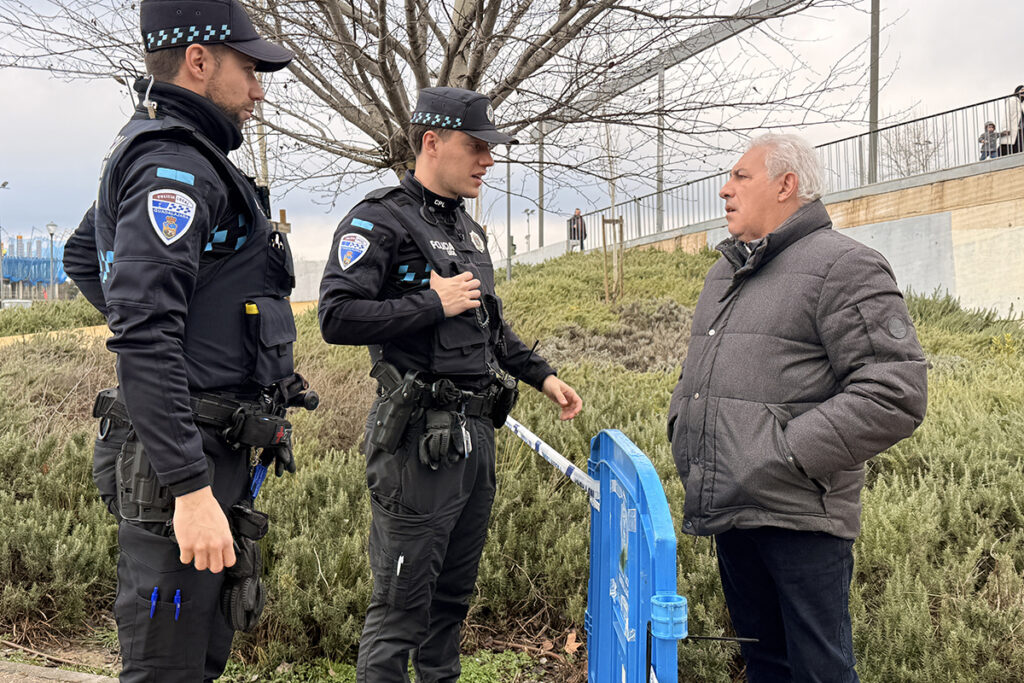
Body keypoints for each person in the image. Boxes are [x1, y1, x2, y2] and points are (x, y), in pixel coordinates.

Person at [62, 2, 314, 680]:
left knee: (196, 659)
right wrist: (190, 488)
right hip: (181, 459)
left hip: (203, 446)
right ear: (199, 60)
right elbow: (144, 329)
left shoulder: (169, 149)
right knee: (167, 668)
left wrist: (210, 353)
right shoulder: (172, 165)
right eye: (250, 69)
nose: (260, 89)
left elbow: (85, 257)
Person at [319, 86, 583, 682]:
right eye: (477, 146)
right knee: (399, 611)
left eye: (491, 148)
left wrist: (542, 376)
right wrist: (428, 303)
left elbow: (487, 322)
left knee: (450, 606)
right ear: (432, 143)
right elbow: (335, 317)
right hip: (417, 443)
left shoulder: (466, 226)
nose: (488, 160)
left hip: (473, 440)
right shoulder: (379, 219)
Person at [667, 134, 927, 682]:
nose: (724, 189)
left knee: (818, 672)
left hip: (799, 518)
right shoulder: (726, 270)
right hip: (733, 506)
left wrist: (781, 455)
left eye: (741, 177)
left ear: (787, 185)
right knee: (764, 665)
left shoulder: (845, 265)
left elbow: (895, 390)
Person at [998, 85, 1024, 156]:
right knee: (1008, 145)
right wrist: (1005, 128)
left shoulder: (1022, 103)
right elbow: (1007, 114)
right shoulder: (1012, 100)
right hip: (1013, 127)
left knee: (1019, 147)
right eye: (1021, 90)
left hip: (1021, 129)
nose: (1023, 92)